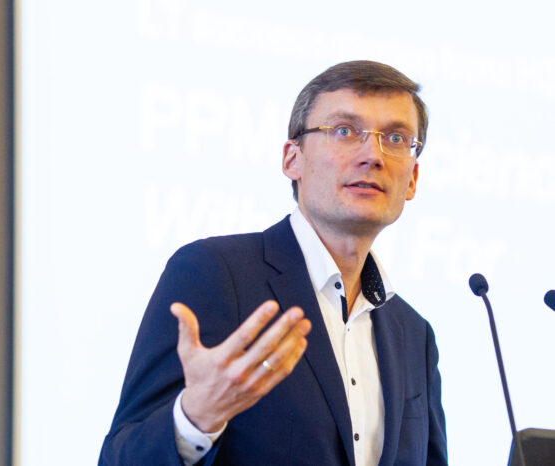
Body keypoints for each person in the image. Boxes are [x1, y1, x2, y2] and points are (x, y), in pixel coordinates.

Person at [99, 60, 447, 465]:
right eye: (344, 131)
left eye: (396, 138)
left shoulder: (414, 334)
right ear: (292, 159)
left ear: (413, 179)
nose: (373, 155)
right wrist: (195, 420)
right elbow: (119, 458)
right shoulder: (214, 275)